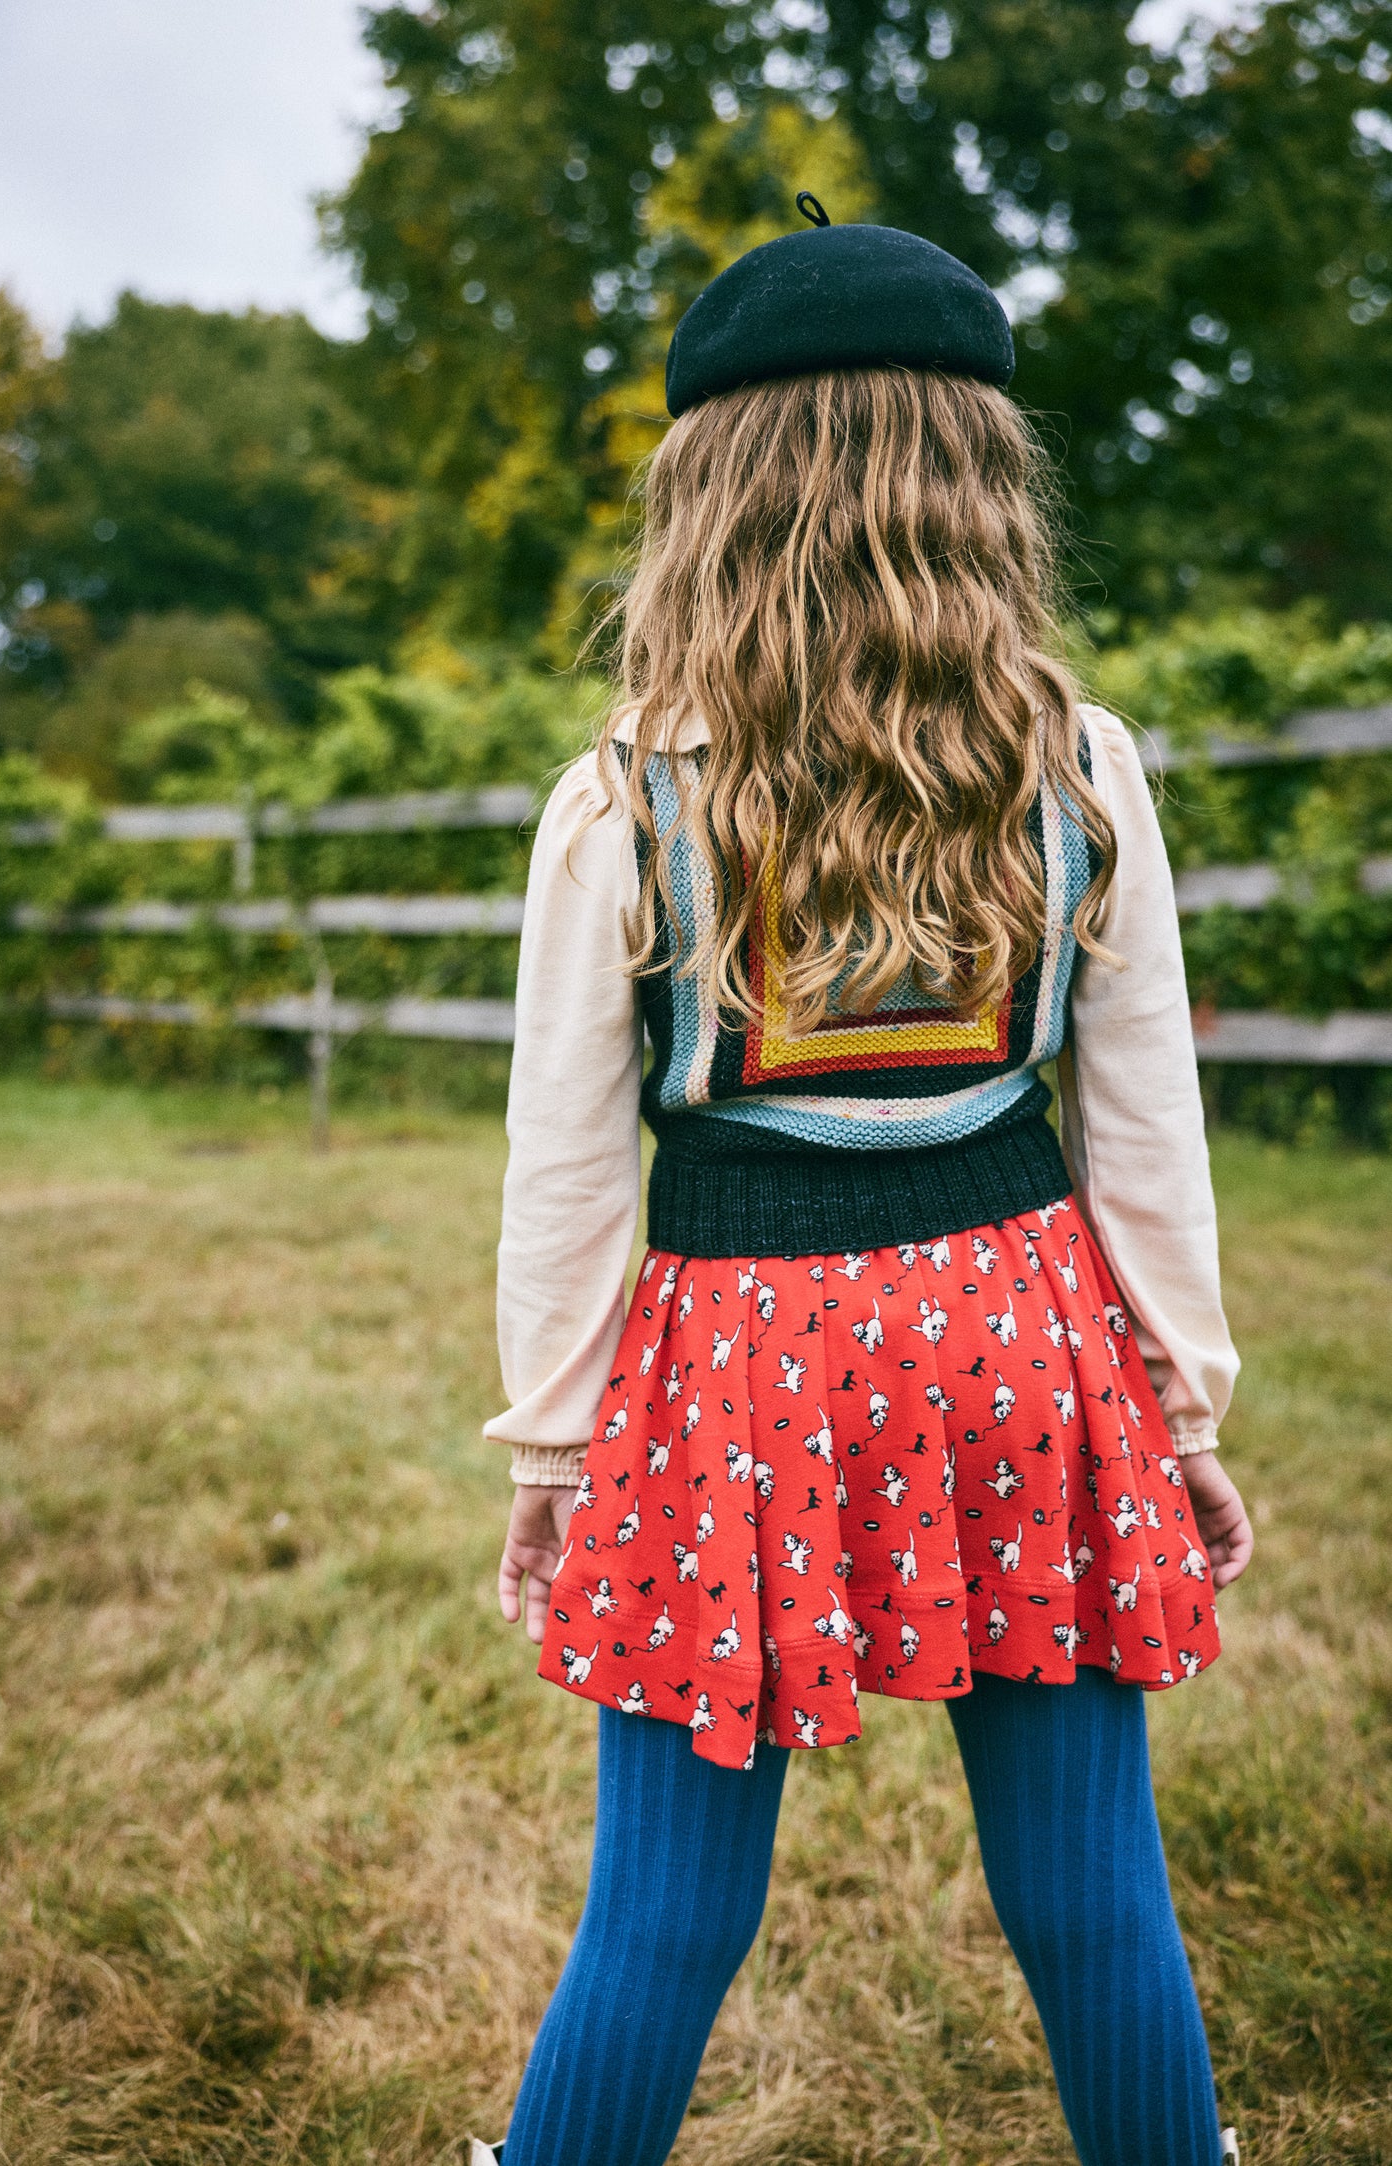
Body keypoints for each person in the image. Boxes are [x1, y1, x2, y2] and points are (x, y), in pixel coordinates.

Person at [476, 201, 1253, 2166]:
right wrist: (1179, 1406)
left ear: (708, 497)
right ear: (980, 482)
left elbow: (568, 1164)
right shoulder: (1080, 766)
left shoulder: (625, 798)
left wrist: (557, 1459)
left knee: (664, 1915)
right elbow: (1142, 1124)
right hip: (1024, 1341)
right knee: (1089, 1894)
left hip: (729, 1378)